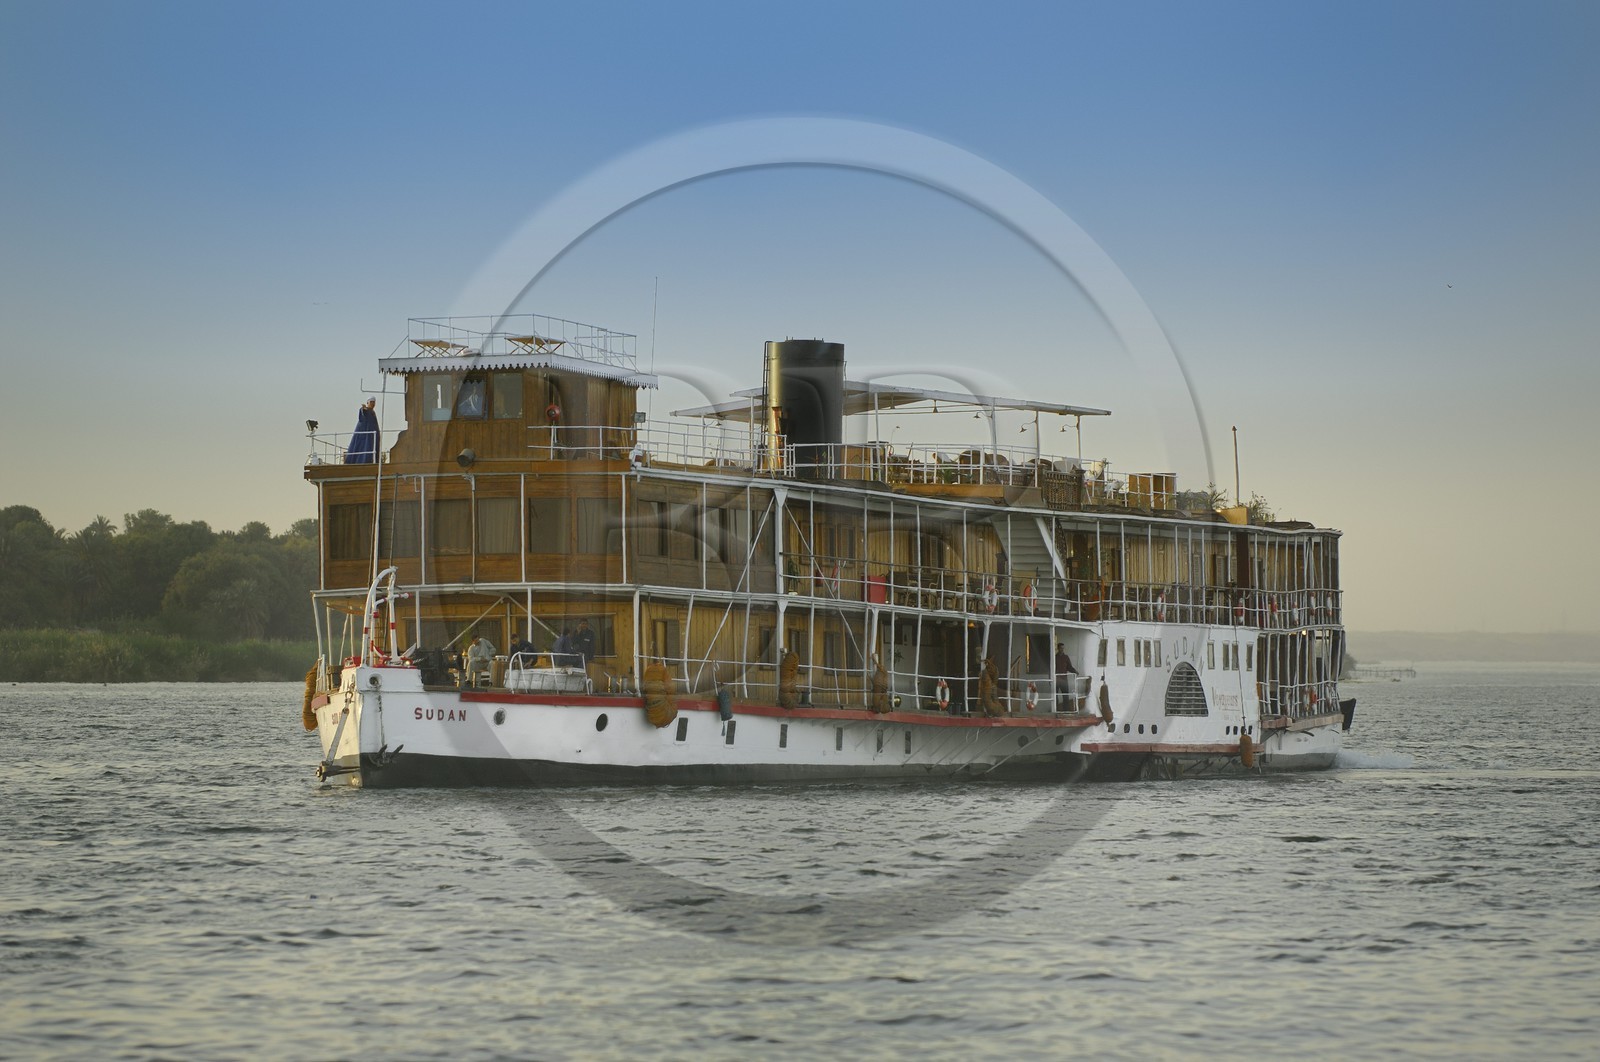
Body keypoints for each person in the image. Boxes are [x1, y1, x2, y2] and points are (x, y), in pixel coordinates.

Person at [344, 397, 379, 464]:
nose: (372, 403)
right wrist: (364, 409)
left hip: (371, 436)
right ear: (368, 403)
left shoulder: (373, 413)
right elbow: (362, 412)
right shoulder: (366, 411)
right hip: (364, 436)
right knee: (363, 448)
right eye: (371, 402)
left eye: (374, 402)